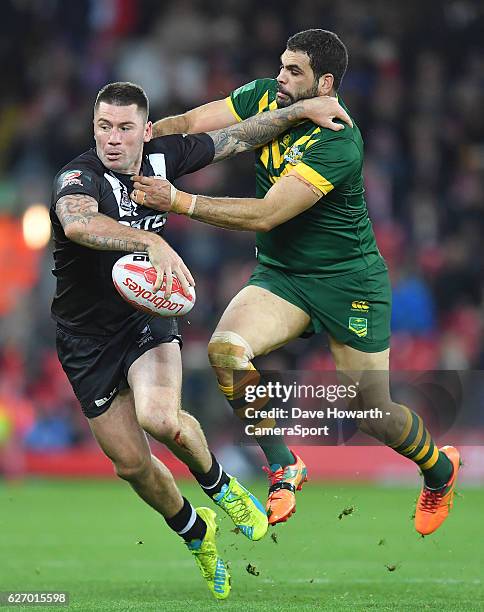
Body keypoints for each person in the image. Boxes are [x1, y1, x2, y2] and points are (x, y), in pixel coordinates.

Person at [132, 29, 461, 535]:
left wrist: (178, 200)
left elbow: (268, 213)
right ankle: (284, 464)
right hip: (283, 276)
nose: (280, 78)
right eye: (282, 66)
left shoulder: (339, 139)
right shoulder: (267, 95)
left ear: (325, 82)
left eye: (294, 71)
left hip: (348, 282)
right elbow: (198, 122)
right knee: (225, 353)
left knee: (372, 413)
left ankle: (439, 470)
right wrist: (145, 138)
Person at [51, 81, 351, 599]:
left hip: (144, 317)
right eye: (104, 127)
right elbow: (78, 226)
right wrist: (149, 238)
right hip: (84, 339)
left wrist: (304, 108)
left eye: (125, 128)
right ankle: (196, 531)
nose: (113, 140)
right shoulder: (79, 177)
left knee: (159, 418)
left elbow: (238, 137)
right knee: (131, 465)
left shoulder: (164, 159)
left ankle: (222, 487)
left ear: (146, 131)